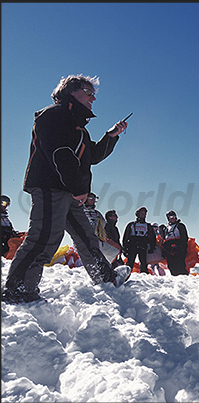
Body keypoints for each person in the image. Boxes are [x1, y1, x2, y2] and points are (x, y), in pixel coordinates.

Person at [1, 75, 130, 303]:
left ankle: (105, 278)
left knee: (86, 236)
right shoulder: (54, 115)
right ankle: (18, 289)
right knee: (44, 237)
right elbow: (59, 152)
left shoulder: (78, 126)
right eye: (88, 93)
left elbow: (93, 155)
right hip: (51, 185)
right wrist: (77, 186)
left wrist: (111, 136)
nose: (93, 98)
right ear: (71, 92)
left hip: (68, 190)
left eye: (94, 95)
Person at [122, 207, 156, 274]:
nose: (143, 214)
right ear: (137, 214)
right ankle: (125, 276)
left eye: (144, 213)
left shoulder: (148, 226)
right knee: (130, 263)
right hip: (132, 245)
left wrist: (152, 247)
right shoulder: (131, 224)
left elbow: (153, 238)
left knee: (143, 263)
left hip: (143, 245)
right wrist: (125, 248)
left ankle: (144, 278)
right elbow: (126, 237)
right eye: (141, 213)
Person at [161, 210, 189, 276]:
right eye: (170, 217)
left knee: (180, 264)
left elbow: (184, 237)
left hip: (179, 248)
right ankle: (175, 278)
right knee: (171, 265)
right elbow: (165, 239)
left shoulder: (180, 225)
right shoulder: (167, 228)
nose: (172, 219)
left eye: (174, 217)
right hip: (169, 248)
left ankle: (184, 278)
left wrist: (180, 246)